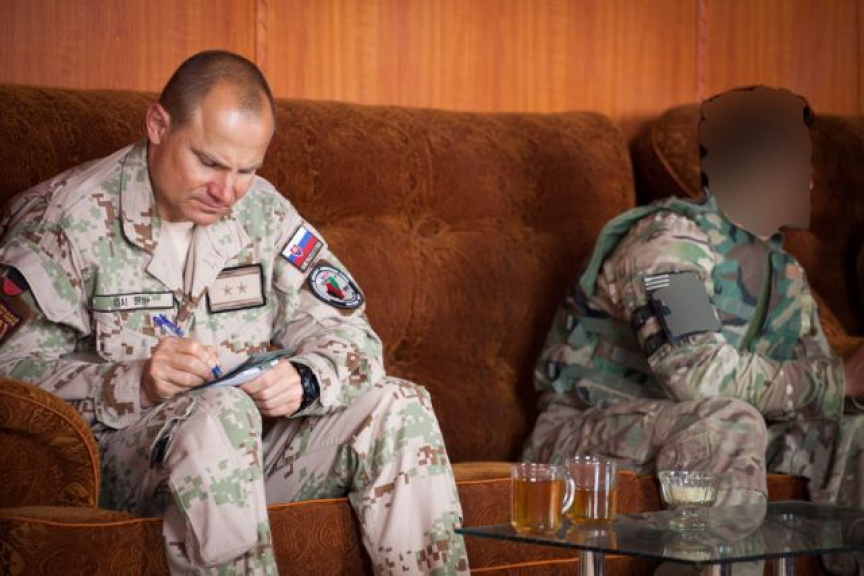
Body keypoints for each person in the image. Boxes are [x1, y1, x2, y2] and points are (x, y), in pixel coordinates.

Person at [0, 50, 468, 575]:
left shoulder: (261, 211)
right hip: (124, 462)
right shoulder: (64, 221)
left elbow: (354, 335)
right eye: (209, 162)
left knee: (399, 405)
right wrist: (136, 382)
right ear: (158, 125)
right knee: (221, 414)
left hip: (245, 456)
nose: (226, 192)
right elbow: (11, 376)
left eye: (247, 170)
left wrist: (307, 379)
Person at [523, 85, 864, 574]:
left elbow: (812, 391)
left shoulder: (785, 275)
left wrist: (849, 390)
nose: (809, 179)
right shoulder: (666, 243)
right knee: (729, 420)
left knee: (853, 431)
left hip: (696, 433)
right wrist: (837, 379)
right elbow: (698, 375)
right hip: (581, 437)